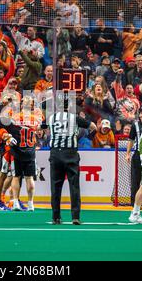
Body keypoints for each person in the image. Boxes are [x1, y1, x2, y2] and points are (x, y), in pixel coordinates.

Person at [46, 92, 97, 225]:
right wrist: (78, 136)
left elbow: (41, 128)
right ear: (69, 107)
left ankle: (56, 217)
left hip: (56, 153)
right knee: (74, 186)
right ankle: (75, 216)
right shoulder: (74, 118)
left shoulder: (51, 118)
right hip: (70, 154)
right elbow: (93, 127)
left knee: (55, 186)